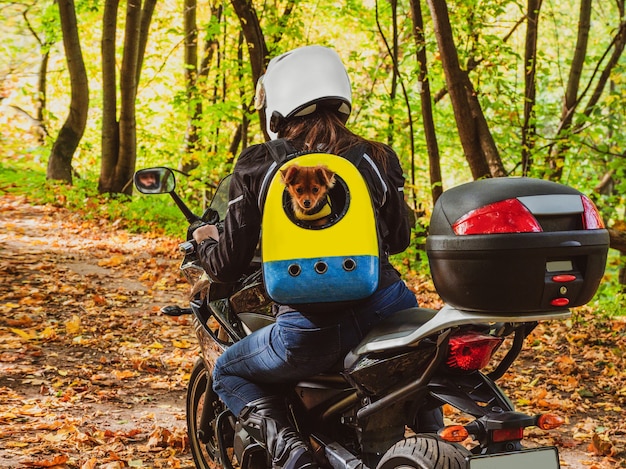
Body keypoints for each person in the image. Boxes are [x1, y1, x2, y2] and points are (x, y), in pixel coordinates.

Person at [192, 45, 418, 469]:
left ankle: (292, 454)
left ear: (277, 106)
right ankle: (426, 435)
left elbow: (226, 265)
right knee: (417, 374)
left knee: (228, 370)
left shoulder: (262, 163)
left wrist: (206, 240)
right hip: (392, 308)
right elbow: (401, 238)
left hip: (312, 331)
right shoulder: (378, 156)